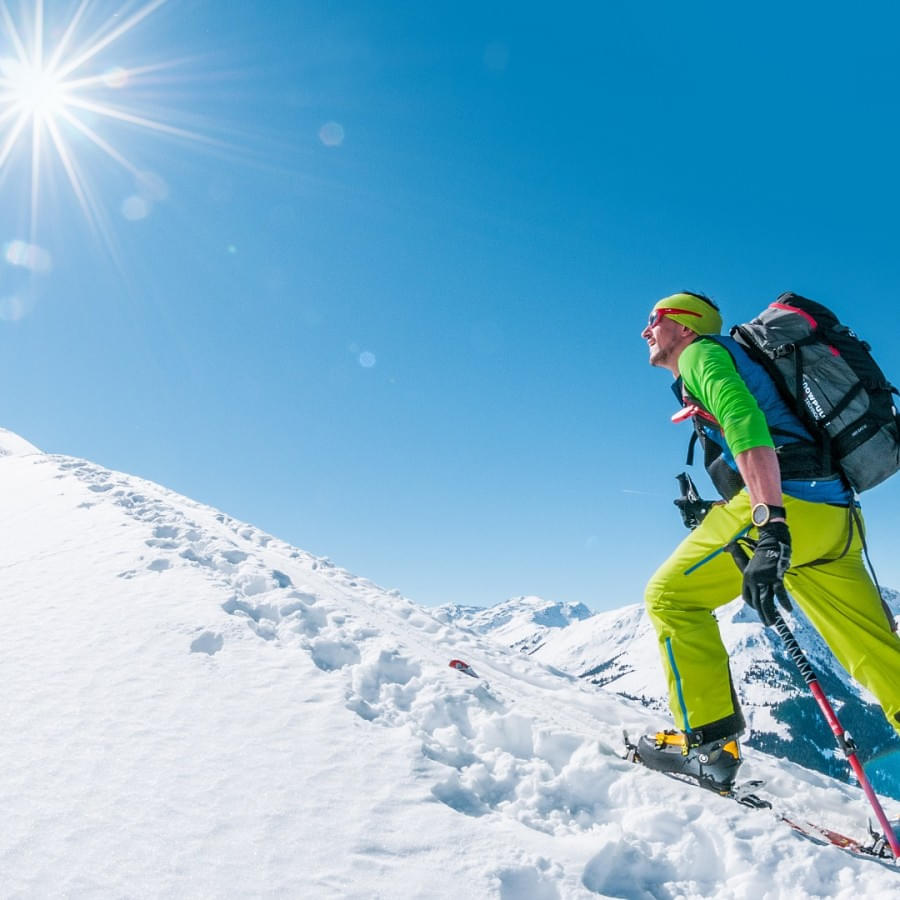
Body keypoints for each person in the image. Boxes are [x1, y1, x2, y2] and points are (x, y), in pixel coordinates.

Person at [636, 290, 900, 793]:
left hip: (789, 511)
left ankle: (707, 749)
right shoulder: (734, 359)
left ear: (686, 325)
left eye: (655, 319)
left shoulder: (700, 354)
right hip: (836, 518)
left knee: (671, 598)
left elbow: (744, 424)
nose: (646, 330)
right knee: (877, 657)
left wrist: (770, 523)